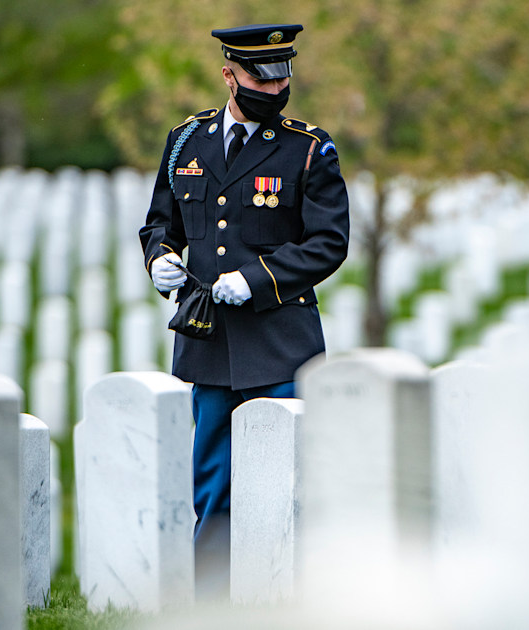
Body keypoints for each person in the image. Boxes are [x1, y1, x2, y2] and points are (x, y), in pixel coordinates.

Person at [138, 23, 349, 597]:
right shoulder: (186, 142)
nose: (276, 87)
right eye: (262, 75)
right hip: (208, 341)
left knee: (284, 483)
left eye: (284, 74)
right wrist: (159, 256)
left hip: (279, 344)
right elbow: (161, 221)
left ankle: (291, 598)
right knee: (212, 484)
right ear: (230, 75)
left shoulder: (309, 149)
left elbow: (328, 242)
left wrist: (256, 279)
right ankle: (210, 601)